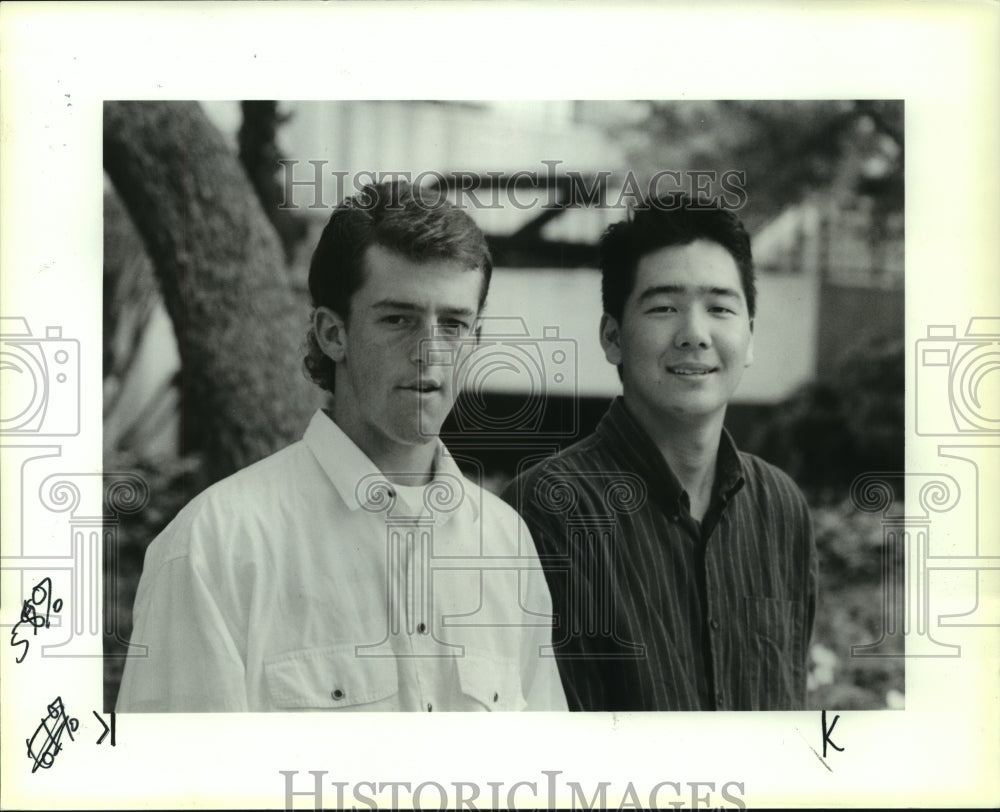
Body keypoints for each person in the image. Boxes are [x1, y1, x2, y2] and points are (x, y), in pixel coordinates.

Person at [117, 181, 567, 712]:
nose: (429, 352)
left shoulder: (505, 543)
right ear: (333, 334)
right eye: (397, 319)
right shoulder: (216, 545)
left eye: (453, 324)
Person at [502, 193, 817, 711]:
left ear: (751, 337)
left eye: (719, 308)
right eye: (664, 307)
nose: (694, 334)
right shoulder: (548, 510)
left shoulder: (781, 509)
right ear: (612, 338)